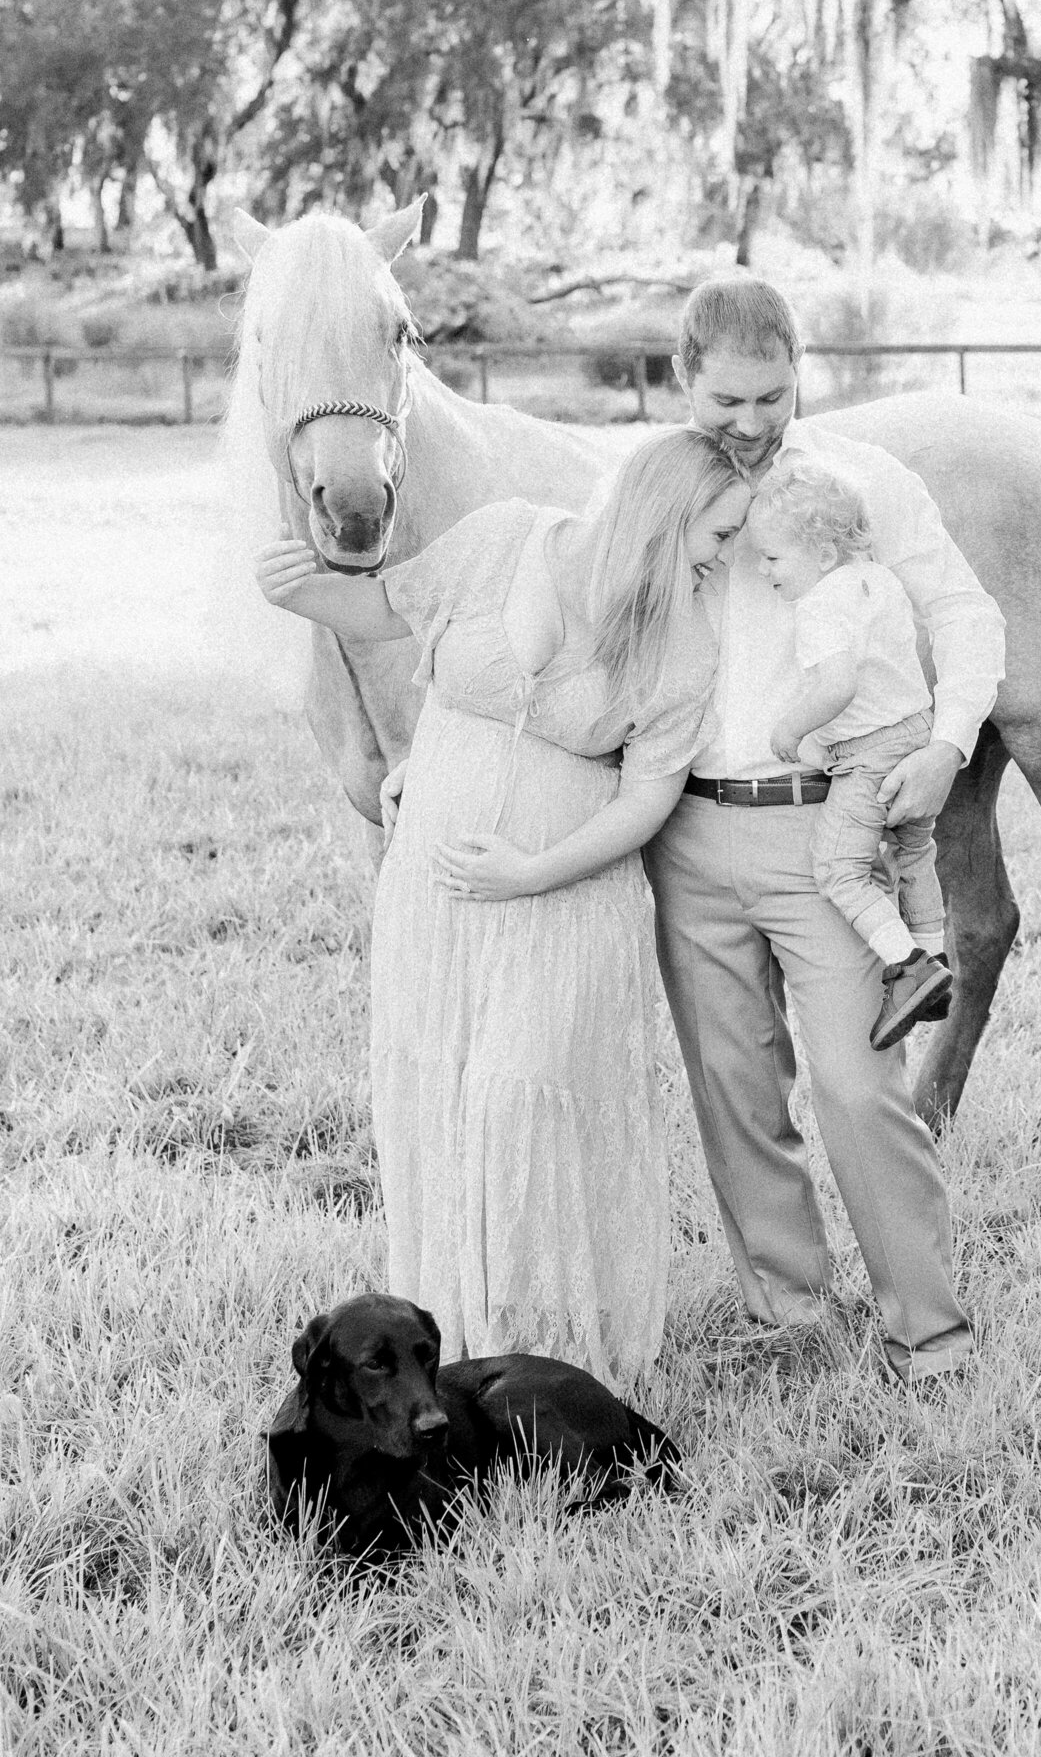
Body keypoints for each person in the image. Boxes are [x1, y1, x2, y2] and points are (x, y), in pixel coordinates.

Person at [256, 430, 752, 1392]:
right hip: (436, 899)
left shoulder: (688, 641)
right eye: (720, 532)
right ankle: (458, 1345)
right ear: (666, 510)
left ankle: (547, 1358)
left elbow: (645, 803)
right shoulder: (504, 538)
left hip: (565, 907)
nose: (723, 557)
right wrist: (293, 590)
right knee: (442, 1094)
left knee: (521, 1097)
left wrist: (532, 871)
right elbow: (383, 606)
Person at [648, 278, 1006, 1385]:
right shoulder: (654, 485)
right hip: (691, 832)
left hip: (827, 829)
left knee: (859, 1087)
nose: (749, 424)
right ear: (680, 380)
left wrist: (947, 744)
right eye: (724, 400)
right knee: (735, 1087)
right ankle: (787, 1312)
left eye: (771, 394)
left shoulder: (865, 483)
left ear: (801, 368)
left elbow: (963, 613)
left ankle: (929, 1331)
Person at [749, 457, 954, 1050]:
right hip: (917, 729)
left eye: (772, 557)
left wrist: (791, 728)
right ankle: (937, 958)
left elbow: (837, 686)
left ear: (821, 554)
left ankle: (907, 966)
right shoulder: (879, 581)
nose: (764, 572)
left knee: (839, 869)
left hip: (870, 753)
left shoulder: (819, 605)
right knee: (914, 850)